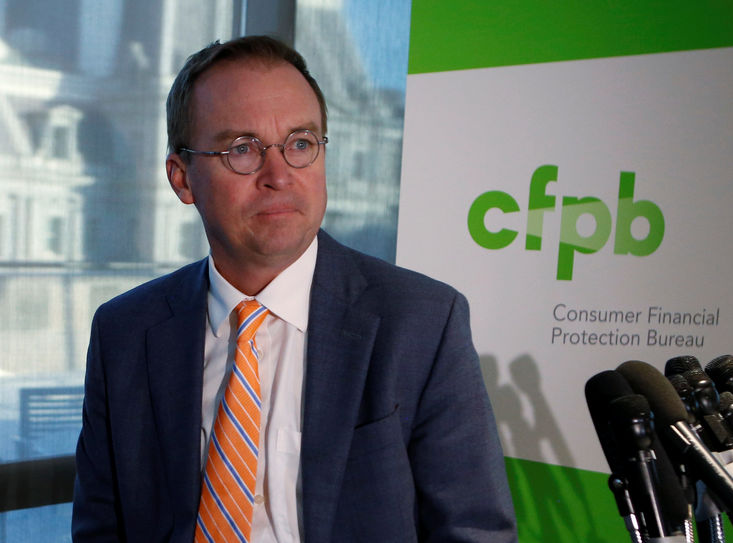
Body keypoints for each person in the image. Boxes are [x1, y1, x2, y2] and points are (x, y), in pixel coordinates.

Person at [72, 35, 516, 542]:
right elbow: (100, 528)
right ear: (182, 179)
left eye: (301, 144)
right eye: (242, 149)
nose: (279, 176)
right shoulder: (125, 331)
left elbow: (474, 532)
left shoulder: (421, 322)